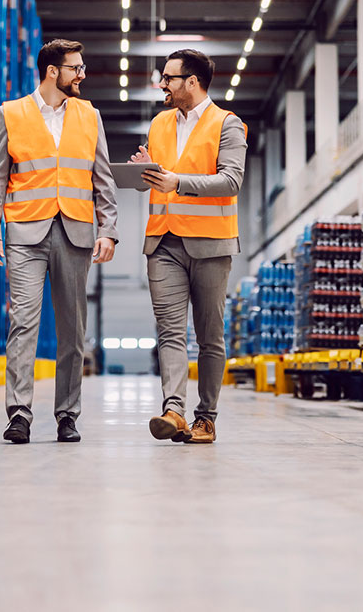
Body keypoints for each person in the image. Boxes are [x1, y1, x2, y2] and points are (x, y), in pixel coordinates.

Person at [0, 38, 118, 444]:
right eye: (76, 68)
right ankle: (19, 413)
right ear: (52, 71)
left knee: (73, 330)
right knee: (22, 323)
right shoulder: (10, 114)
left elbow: (103, 179)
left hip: (75, 231)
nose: (82, 74)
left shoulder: (90, 115)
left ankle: (67, 415)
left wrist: (108, 229)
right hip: (25, 233)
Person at [131, 49, 246, 444]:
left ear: (191, 82)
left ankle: (205, 418)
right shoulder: (159, 124)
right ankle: (174, 410)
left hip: (211, 244)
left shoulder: (227, 125)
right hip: (162, 240)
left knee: (210, 336)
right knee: (169, 331)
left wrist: (176, 181)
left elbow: (231, 181)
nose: (162, 84)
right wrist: (146, 168)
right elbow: (161, 177)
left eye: (169, 78)